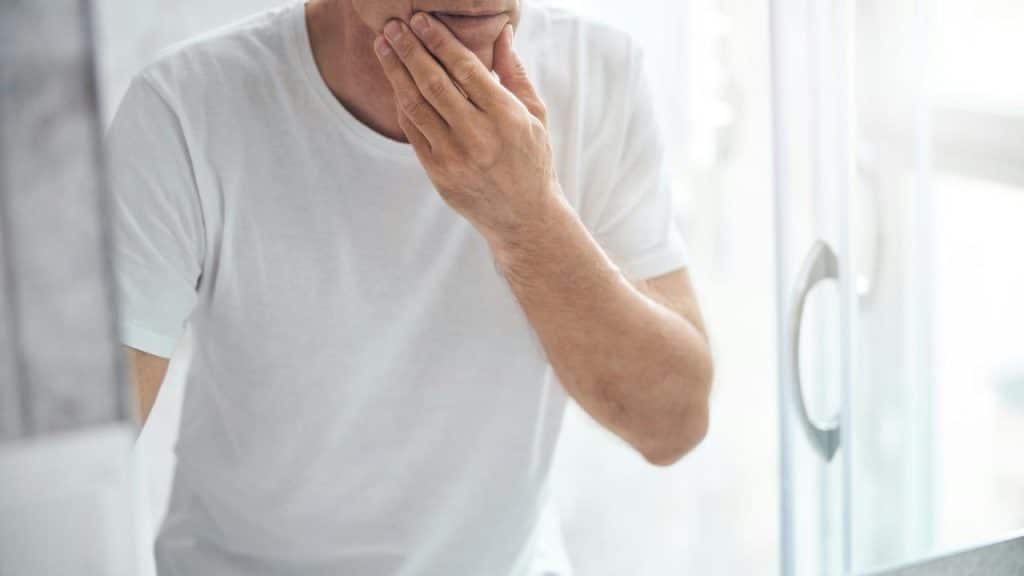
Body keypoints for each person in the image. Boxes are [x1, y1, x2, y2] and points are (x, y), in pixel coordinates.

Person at [108, 0, 713, 574]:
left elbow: (673, 424)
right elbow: (78, 466)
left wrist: (529, 219)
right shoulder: (185, 106)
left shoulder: (601, 72)